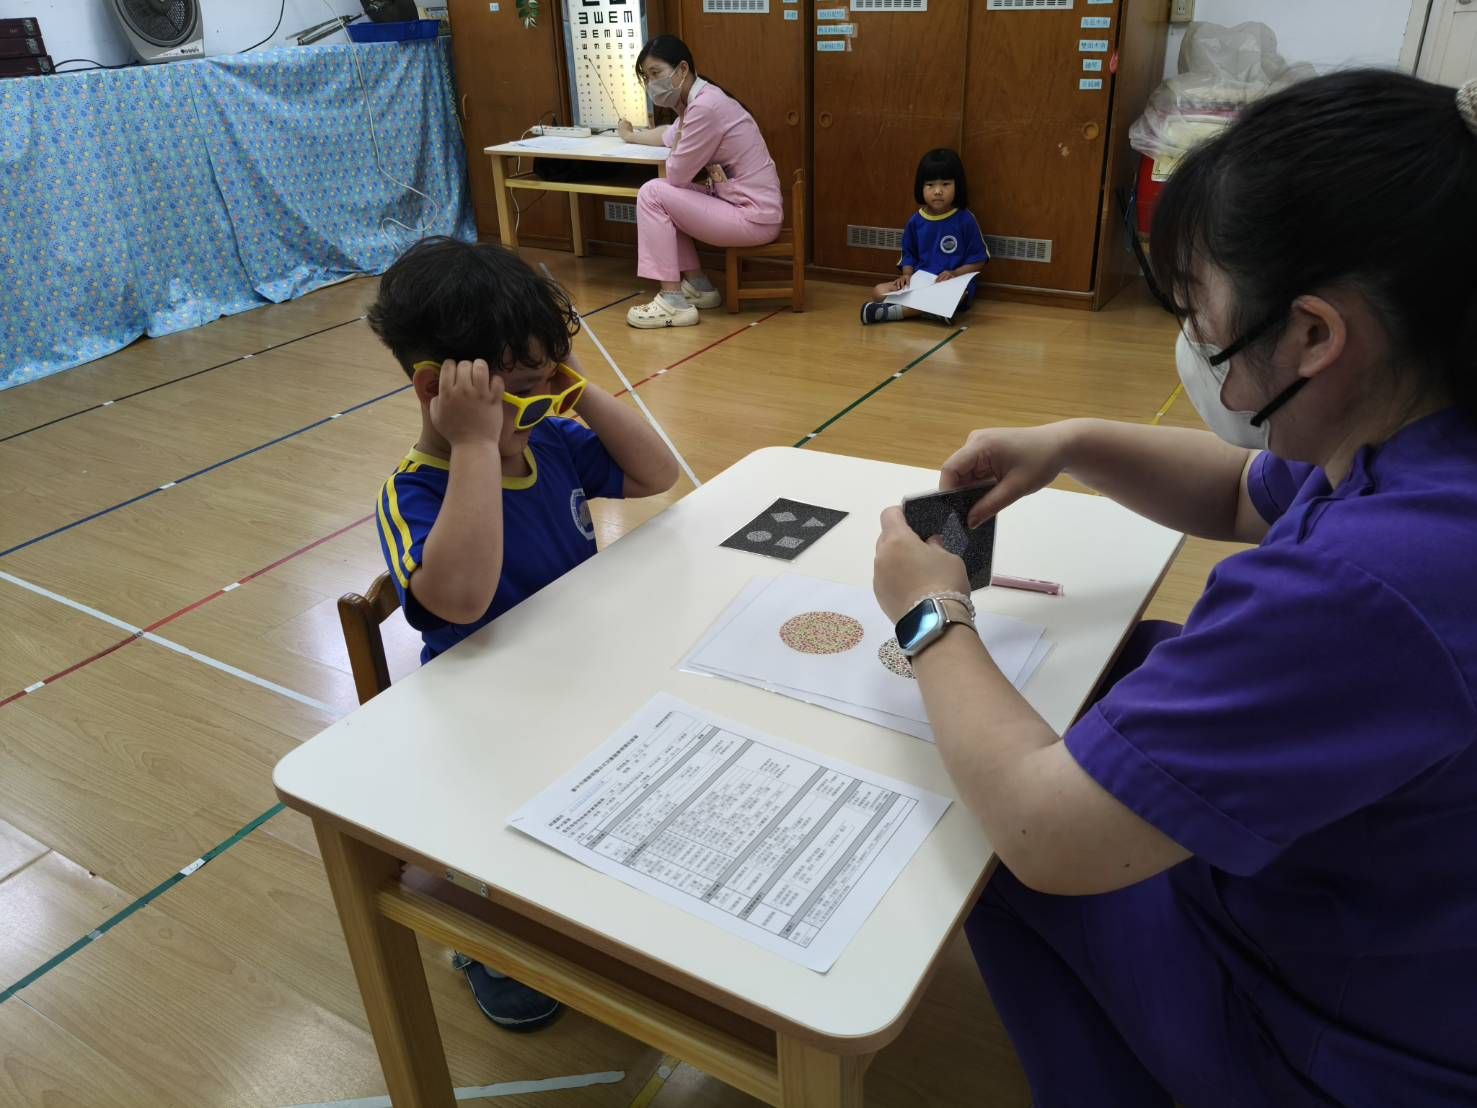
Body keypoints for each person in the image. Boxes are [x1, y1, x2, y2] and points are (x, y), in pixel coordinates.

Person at [871, 70, 1477, 1107]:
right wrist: (1070, 442)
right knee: (1137, 655)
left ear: (1314, 335)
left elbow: (1043, 833)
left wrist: (930, 611)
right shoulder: (1418, 433)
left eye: (1200, 311)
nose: (1193, 342)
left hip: (1341, 1041)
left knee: (983, 843)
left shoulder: (1363, 585)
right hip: (1407, 923)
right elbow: (1245, 491)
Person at [366, 236, 678, 1030]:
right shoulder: (414, 494)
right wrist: (475, 444)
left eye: (548, 388)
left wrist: (575, 392)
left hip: (570, 674)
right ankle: (489, 944)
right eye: (523, 396)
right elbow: (461, 600)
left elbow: (656, 474)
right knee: (495, 840)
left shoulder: (552, 442)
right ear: (435, 391)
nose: (539, 413)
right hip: (481, 720)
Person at [617, 35, 783, 329]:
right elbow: (667, 134)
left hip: (753, 217)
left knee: (653, 193)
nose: (651, 84)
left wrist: (678, 138)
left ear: (682, 69)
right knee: (667, 196)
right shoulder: (699, 101)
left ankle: (672, 302)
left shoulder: (705, 108)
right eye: (647, 77)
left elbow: (677, 174)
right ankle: (699, 286)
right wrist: (631, 136)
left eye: (655, 73)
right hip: (747, 209)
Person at [861, 148, 989, 326]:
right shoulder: (915, 221)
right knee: (878, 292)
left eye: (945, 184)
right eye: (930, 185)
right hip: (920, 284)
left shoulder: (965, 219)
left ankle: (897, 313)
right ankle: (935, 312)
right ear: (921, 187)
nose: (938, 191)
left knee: (959, 296)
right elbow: (909, 255)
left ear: (957, 185)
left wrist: (954, 274)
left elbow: (979, 260)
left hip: (951, 285)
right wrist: (906, 275)